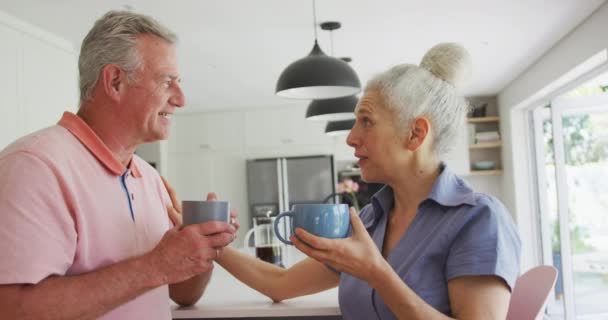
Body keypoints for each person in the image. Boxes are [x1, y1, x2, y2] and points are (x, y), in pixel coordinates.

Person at [215, 43, 521, 319]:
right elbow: (280, 284)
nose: (351, 138)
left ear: (415, 134)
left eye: (366, 122)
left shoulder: (478, 219)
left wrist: (376, 273)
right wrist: (210, 243)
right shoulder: (372, 219)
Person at [0, 11, 237, 319]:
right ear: (114, 81)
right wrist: (156, 265)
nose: (181, 99)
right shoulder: (34, 168)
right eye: (167, 82)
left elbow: (182, 293)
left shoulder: (149, 178)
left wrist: (202, 248)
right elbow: (11, 309)